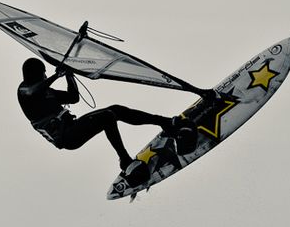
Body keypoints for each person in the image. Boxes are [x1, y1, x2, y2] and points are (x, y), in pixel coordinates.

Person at [17, 57, 183, 172]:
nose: (46, 75)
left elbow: (73, 98)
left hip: (72, 128)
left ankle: (165, 122)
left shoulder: (48, 92)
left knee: (115, 110)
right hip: (67, 138)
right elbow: (34, 91)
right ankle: (125, 161)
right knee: (107, 116)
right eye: (43, 73)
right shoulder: (24, 92)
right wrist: (56, 75)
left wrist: (69, 75)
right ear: (36, 75)